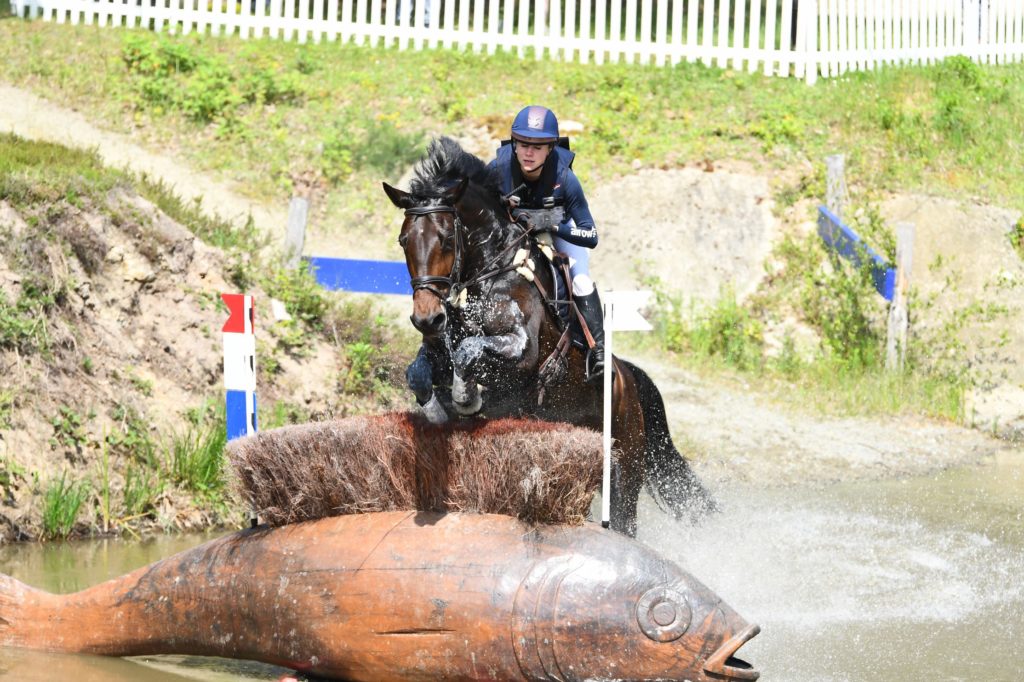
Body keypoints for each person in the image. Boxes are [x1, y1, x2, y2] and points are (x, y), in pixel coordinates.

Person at [489, 105, 608, 381]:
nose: (529, 152)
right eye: (523, 144)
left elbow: (592, 235)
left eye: (538, 146)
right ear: (514, 144)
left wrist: (553, 226)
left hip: (559, 234)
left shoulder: (565, 179)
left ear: (551, 148)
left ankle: (597, 351)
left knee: (581, 281)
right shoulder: (497, 169)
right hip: (513, 235)